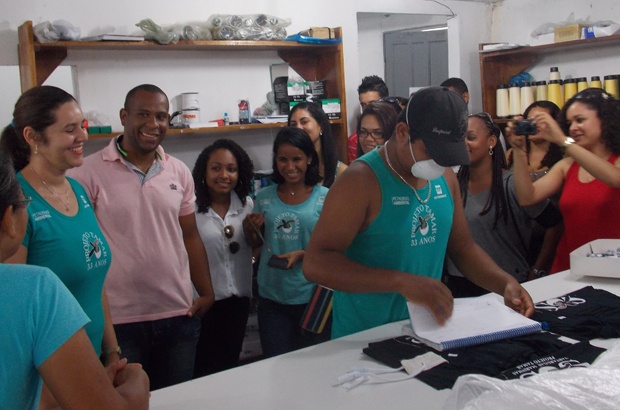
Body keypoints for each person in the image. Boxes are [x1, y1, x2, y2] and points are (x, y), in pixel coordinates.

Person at [303, 86, 535, 339]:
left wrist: (504, 283)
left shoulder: (444, 176)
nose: (441, 163)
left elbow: (463, 248)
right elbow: (317, 263)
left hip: (425, 334)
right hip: (364, 338)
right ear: (403, 133)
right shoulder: (360, 181)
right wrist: (400, 282)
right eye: (433, 153)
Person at [69, 84, 215, 390]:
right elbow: (82, 250)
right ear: (124, 116)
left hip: (178, 313)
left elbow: (189, 236)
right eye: (144, 114)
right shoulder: (87, 173)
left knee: (177, 401)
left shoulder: (178, 171)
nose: (154, 124)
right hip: (119, 323)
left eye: (162, 116)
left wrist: (206, 291)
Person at [0, 152, 149, 409]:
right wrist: (138, 381)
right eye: (23, 201)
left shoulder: (78, 191)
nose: (80, 136)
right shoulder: (35, 289)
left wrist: (107, 356)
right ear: (8, 219)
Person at [0, 86, 118, 365]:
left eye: (82, 126)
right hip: (50, 371)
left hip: (93, 360)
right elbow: (14, 305)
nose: (83, 137)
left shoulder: (78, 190)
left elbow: (94, 281)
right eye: (69, 130)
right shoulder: (20, 203)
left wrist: (112, 352)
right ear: (32, 137)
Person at [443, 113, 563, 297]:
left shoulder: (511, 184)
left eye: (471, 137)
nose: (463, 143)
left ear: (491, 141)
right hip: (460, 285)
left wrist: (539, 269)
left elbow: (555, 223)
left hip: (505, 284)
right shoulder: (452, 185)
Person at [508, 88, 620, 273]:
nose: (573, 128)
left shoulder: (616, 162)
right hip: (569, 268)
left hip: (613, 269)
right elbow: (527, 197)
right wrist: (519, 151)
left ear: (605, 119)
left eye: (580, 120)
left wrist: (562, 140)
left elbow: (614, 178)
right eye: (569, 123)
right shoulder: (567, 165)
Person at [243, 127, 329, 357]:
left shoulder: (325, 197)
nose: (289, 167)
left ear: (309, 159)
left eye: (297, 159)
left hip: (312, 296)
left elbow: (334, 247)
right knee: (277, 365)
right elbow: (256, 245)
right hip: (272, 297)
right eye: (283, 159)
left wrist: (302, 254)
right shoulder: (263, 197)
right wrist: (250, 229)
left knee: (313, 366)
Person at [191, 139, 256, 377]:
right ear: (204, 172)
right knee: (202, 370)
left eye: (231, 169)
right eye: (216, 168)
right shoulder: (191, 210)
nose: (224, 175)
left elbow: (254, 249)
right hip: (204, 304)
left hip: (238, 301)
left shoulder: (248, 206)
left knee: (229, 369)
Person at [505, 100, 564, 275]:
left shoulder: (563, 157)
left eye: (540, 120)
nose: (533, 125)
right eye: (528, 121)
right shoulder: (511, 154)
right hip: (518, 236)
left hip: (553, 233)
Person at [288, 102, 347, 187]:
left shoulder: (341, 172)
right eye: (293, 124)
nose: (298, 128)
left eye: (304, 122)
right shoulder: (290, 169)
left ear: (321, 126)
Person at [348, 75, 390, 163]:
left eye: (373, 104)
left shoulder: (398, 133)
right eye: (363, 105)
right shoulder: (355, 139)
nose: (367, 109)